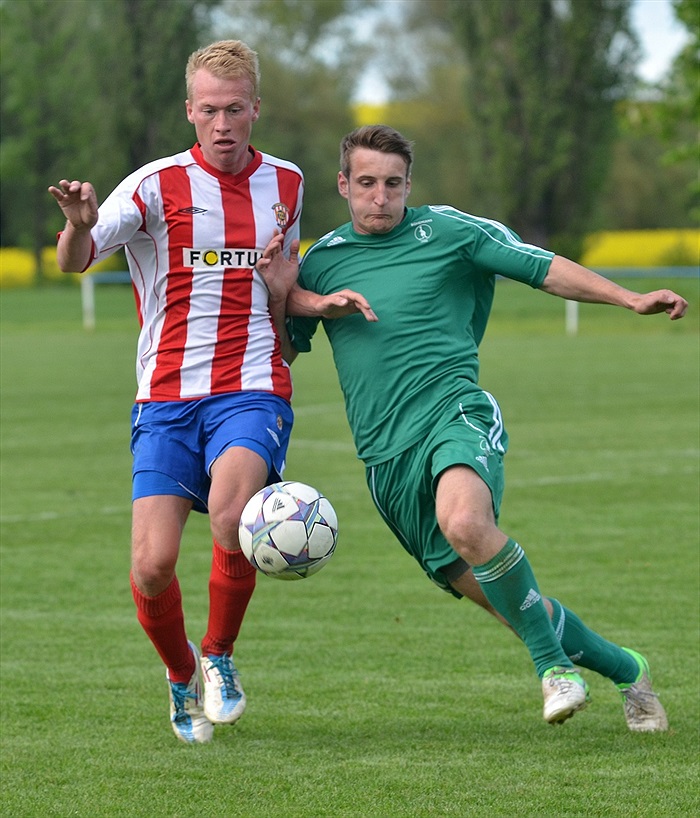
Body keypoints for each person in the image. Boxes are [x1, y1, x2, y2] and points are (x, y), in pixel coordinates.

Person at [267, 124, 688, 730]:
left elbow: (541, 267)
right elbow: (287, 349)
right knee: (520, 609)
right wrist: (281, 293)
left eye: (392, 183)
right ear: (343, 185)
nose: (379, 196)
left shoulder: (449, 231)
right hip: (386, 462)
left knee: (465, 521)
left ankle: (553, 671)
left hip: (454, 413)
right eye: (366, 183)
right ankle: (629, 670)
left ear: (409, 184)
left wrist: (628, 298)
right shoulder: (324, 260)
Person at [47, 40, 365, 745]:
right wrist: (76, 224)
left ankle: (220, 656)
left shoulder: (286, 182)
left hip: (253, 385)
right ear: (190, 111)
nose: (222, 123)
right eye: (209, 110)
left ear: (256, 109)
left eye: (235, 109)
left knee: (230, 515)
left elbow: (280, 282)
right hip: (164, 397)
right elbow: (76, 261)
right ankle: (181, 672)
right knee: (152, 566)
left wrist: (314, 303)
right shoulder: (154, 185)